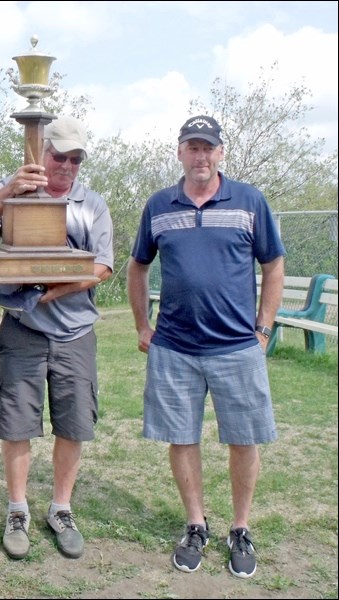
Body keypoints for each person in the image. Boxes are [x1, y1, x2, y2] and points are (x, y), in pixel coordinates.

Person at [126, 115, 285, 579]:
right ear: (179, 152)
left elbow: (273, 264)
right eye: (192, 147)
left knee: (243, 438)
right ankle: (195, 523)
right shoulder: (159, 206)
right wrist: (142, 324)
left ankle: (240, 527)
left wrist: (263, 329)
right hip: (174, 347)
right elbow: (137, 267)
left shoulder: (249, 201)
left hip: (237, 346)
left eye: (208, 148)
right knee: (182, 436)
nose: (200, 155)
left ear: (220, 153)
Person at [0, 115, 114, 560]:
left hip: (75, 332)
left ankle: (61, 508)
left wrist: (54, 291)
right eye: (58, 156)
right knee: (17, 424)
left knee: (74, 423)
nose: (66, 166)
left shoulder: (92, 205)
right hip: (23, 331)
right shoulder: (17, 188)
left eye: (75, 159)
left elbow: (103, 267)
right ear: (41, 151)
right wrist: (11, 188)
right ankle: (17, 510)